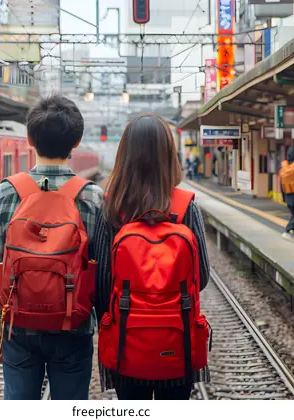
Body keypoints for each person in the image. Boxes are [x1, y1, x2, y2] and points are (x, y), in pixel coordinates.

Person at [0, 94, 103, 400]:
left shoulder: (6, 193)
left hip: (19, 329)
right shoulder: (92, 197)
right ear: (76, 142)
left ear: (30, 139)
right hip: (72, 327)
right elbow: (101, 273)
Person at [92, 114, 211, 400]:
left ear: (124, 156)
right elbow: (202, 276)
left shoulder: (111, 208)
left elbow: (101, 281)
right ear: (169, 155)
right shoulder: (185, 207)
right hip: (177, 341)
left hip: (126, 345)